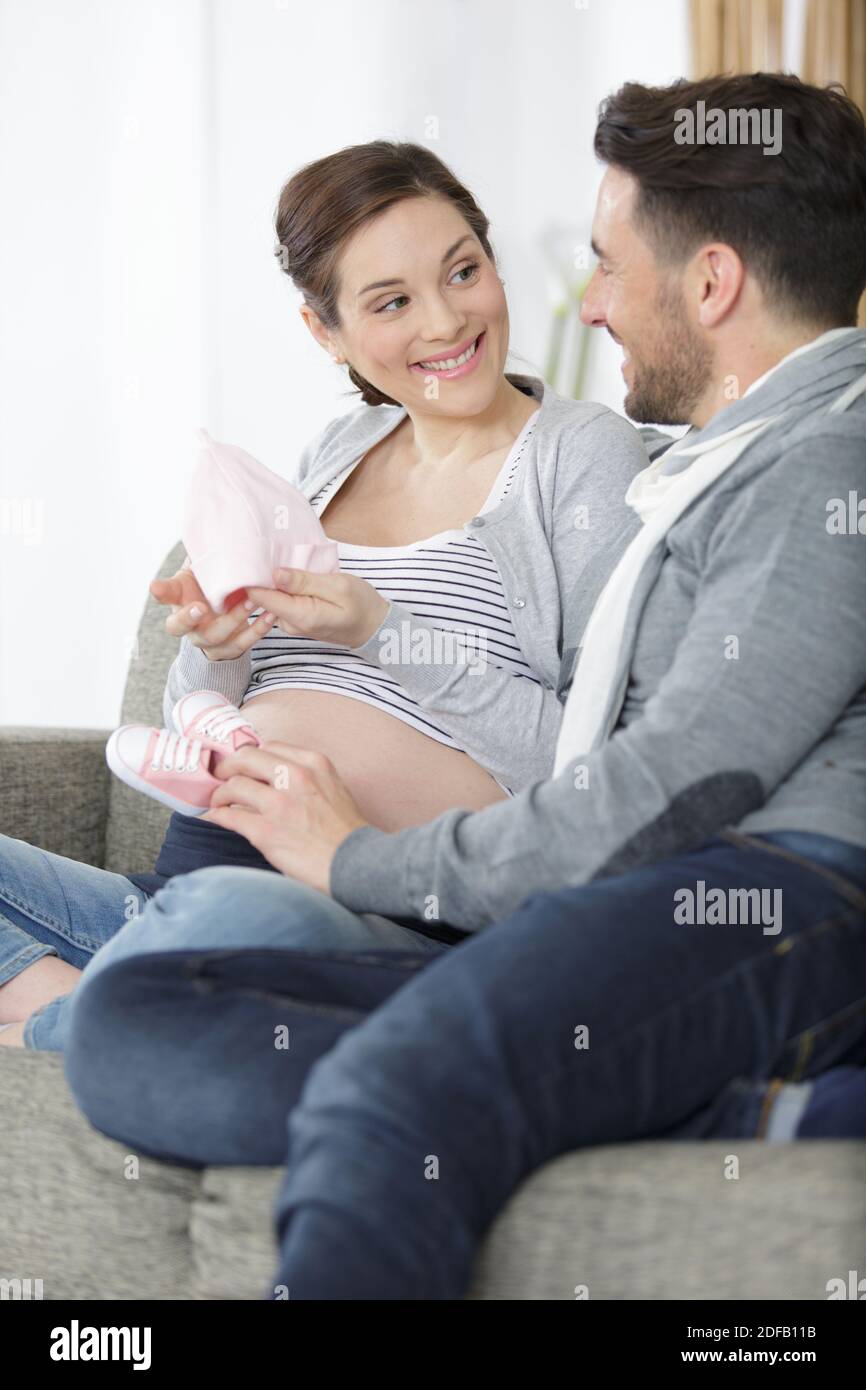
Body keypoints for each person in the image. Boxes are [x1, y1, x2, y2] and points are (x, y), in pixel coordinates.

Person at [64, 71, 866, 1301]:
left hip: (761, 898)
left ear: (707, 285)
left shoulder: (822, 465)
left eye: (604, 265)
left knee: (394, 1092)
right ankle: (702, 1100)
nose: (585, 309)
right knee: (138, 1021)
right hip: (620, 912)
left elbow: (663, 789)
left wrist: (360, 864)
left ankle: (557, 1079)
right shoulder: (710, 468)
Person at [0, 141, 648, 1051]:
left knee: (222, 928)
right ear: (326, 331)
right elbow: (211, 715)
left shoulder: (579, 455)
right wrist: (216, 648)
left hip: (377, 917)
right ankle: (100, 1013)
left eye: (463, 270)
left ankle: (49, 1026)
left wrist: (380, 628)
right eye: (391, 301)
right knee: (199, 925)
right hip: (189, 896)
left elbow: (591, 772)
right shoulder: (335, 452)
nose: (446, 320)